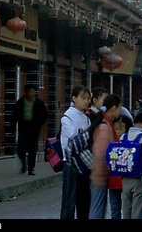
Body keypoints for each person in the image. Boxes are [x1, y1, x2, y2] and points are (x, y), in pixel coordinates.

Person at [88, 94, 123, 219]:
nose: (120, 110)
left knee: (99, 209)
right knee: (97, 210)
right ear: (113, 108)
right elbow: (100, 153)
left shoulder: (107, 124)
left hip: (101, 174)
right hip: (100, 175)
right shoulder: (104, 127)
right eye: (120, 107)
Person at [60, 85, 92, 219]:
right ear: (74, 98)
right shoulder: (67, 118)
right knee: (70, 198)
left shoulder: (86, 118)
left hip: (83, 162)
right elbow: (75, 138)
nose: (86, 101)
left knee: (84, 197)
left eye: (88, 99)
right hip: (71, 163)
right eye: (83, 98)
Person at [12, 84, 48, 175]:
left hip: (34, 129)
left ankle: (31, 168)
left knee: (33, 149)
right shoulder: (21, 102)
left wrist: (39, 124)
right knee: (21, 148)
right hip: (23, 127)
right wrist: (13, 124)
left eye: (33, 91)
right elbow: (15, 114)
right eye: (30, 91)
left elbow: (45, 115)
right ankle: (24, 163)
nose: (31, 93)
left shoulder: (38, 103)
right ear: (26, 92)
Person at [108, 110, 133, 219]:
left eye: (121, 128)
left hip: (125, 180)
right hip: (113, 180)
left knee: (127, 207)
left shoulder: (129, 143)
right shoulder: (109, 141)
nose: (118, 132)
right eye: (116, 128)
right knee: (115, 208)